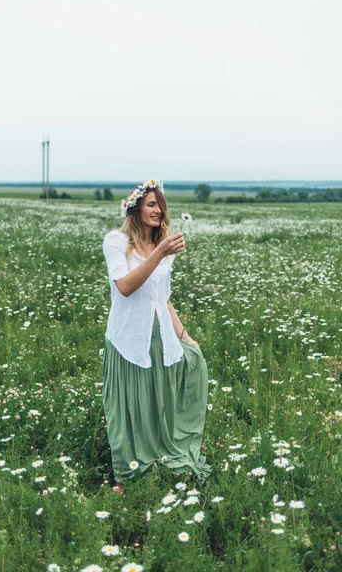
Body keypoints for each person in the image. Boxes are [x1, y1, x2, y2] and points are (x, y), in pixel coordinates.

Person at [102, 178, 213, 495]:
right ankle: (124, 477)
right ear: (135, 209)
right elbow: (124, 286)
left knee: (158, 405)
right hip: (127, 340)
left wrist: (186, 338)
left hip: (160, 337)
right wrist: (159, 252)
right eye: (151, 204)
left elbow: (163, 300)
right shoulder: (117, 242)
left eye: (161, 205)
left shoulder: (164, 249)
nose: (158, 210)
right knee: (126, 410)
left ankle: (156, 462)